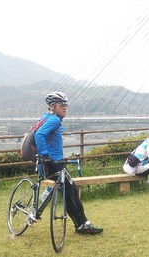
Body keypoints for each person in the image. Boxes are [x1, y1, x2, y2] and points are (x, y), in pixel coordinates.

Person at [35, 91, 103, 234]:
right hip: (52, 163)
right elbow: (39, 135)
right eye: (61, 104)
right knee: (70, 193)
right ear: (53, 105)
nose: (65, 107)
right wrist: (45, 155)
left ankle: (82, 223)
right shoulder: (54, 120)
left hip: (51, 163)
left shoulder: (46, 118)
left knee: (72, 190)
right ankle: (82, 225)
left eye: (66, 104)